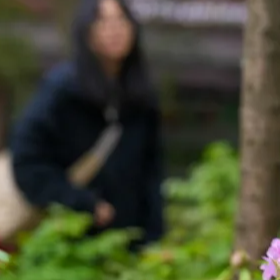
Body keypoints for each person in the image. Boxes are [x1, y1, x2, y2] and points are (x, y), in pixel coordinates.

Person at [9, 0, 164, 248]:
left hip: (128, 243)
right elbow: (27, 160)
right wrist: (82, 202)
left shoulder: (141, 96)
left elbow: (151, 171)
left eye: (121, 20)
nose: (114, 29)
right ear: (87, 32)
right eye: (102, 21)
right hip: (68, 239)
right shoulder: (62, 90)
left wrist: (155, 236)